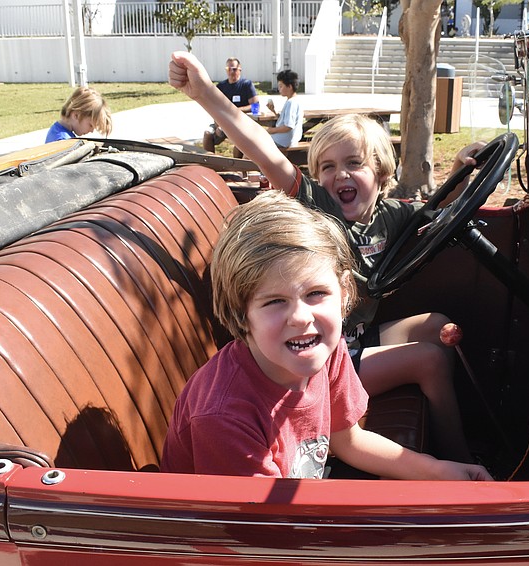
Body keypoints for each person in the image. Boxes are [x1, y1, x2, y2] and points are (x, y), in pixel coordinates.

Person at [169, 51, 484, 464]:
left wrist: (462, 168)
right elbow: (267, 152)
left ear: (381, 174)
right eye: (329, 167)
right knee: (431, 359)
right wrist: (205, 93)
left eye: (354, 164)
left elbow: (442, 209)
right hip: (330, 346)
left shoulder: (394, 213)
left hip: (355, 336)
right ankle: (461, 454)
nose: (341, 176)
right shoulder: (318, 207)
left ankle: (465, 457)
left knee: (439, 325)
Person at [160, 190, 492, 481]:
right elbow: (262, 533)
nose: (302, 318)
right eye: (275, 301)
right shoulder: (224, 417)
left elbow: (347, 440)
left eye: (316, 293)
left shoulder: (324, 350)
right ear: (240, 314)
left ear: (345, 293)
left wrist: (439, 471)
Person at [202, 57, 259, 153]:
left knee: (240, 143)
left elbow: (255, 108)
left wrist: (235, 110)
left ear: (240, 69)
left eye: (234, 69)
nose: (231, 72)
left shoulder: (246, 85)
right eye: (228, 69)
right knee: (207, 134)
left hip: (240, 123)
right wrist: (218, 125)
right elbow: (214, 108)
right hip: (223, 122)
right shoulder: (221, 86)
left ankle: (238, 166)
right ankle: (211, 163)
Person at [45, 86, 112, 143]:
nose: (91, 131)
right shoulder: (63, 141)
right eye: (90, 125)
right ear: (76, 115)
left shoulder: (58, 131)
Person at [265, 69, 303, 149]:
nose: (279, 89)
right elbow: (287, 120)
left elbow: (288, 126)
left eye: (281, 86)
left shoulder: (291, 103)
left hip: (282, 141)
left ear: (289, 86)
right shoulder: (295, 100)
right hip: (290, 140)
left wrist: (272, 130)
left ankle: (241, 161)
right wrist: (274, 111)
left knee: (250, 148)